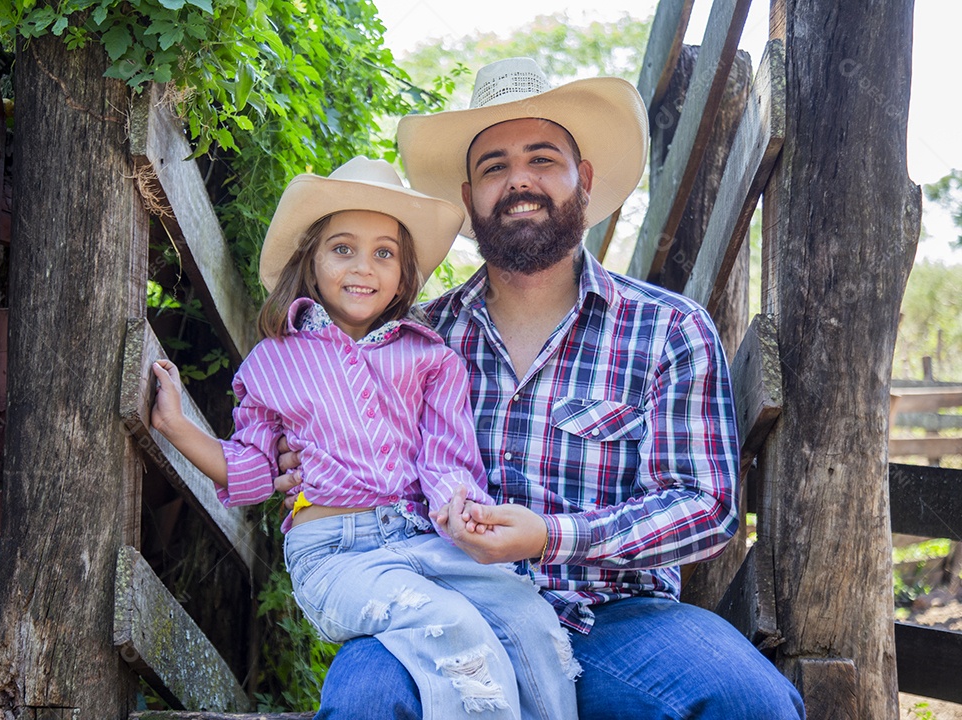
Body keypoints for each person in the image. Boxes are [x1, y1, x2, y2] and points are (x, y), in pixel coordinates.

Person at [275, 59, 807, 719]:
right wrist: (307, 463)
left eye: (542, 159)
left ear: (584, 179)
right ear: (469, 197)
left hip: (617, 618)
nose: (518, 180)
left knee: (749, 702)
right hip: (444, 608)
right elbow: (348, 453)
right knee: (368, 701)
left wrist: (552, 536)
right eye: (494, 166)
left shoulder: (667, 330)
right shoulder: (411, 340)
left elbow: (706, 505)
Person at [150, 156, 580, 719]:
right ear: (312, 261)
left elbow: (445, 461)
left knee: (528, 619)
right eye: (342, 248)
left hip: (424, 538)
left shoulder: (429, 358)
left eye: (384, 253)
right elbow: (254, 471)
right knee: (451, 626)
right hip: (334, 553)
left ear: (404, 274)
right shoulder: (272, 362)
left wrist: (458, 507)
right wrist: (176, 426)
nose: (363, 267)